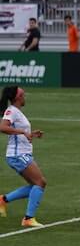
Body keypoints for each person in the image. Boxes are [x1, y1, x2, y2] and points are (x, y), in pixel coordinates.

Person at [0, 86, 46, 227]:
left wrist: (31, 134)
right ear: (17, 97)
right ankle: (28, 218)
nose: (24, 96)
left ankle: (3, 200)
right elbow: (2, 127)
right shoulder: (11, 111)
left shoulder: (17, 112)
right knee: (40, 182)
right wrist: (23, 132)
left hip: (22, 153)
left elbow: (19, 133)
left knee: (35, 184)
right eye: (22, 94)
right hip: (17, 154)